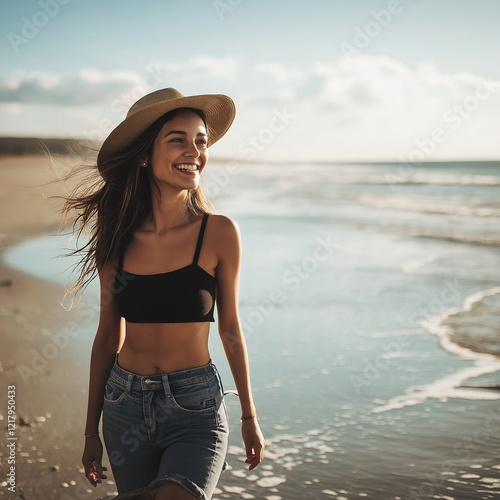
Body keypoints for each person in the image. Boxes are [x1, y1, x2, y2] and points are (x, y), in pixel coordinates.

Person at [62, 88, 265, 499]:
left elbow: (230, 328)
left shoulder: (219, 232)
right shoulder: (116, 239)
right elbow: (106, 336)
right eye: (178, 139)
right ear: (143, 155)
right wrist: (90, 430)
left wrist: (249, 413)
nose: (195, 151)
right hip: (123, 405)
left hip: (196, 408)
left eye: (201, 140)